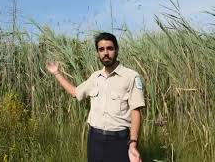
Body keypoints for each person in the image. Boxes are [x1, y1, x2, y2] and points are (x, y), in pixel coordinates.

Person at [46, 32, 145, 162]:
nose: (106, 53)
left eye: (110, 48)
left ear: (116, 50)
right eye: (101, 49)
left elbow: (135, 111)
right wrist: (56, 73)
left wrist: (133, 143)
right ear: (97, 53)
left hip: (119, 141)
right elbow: (75, 92)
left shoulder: (131, 76)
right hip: (95, 140)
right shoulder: (95, 77)